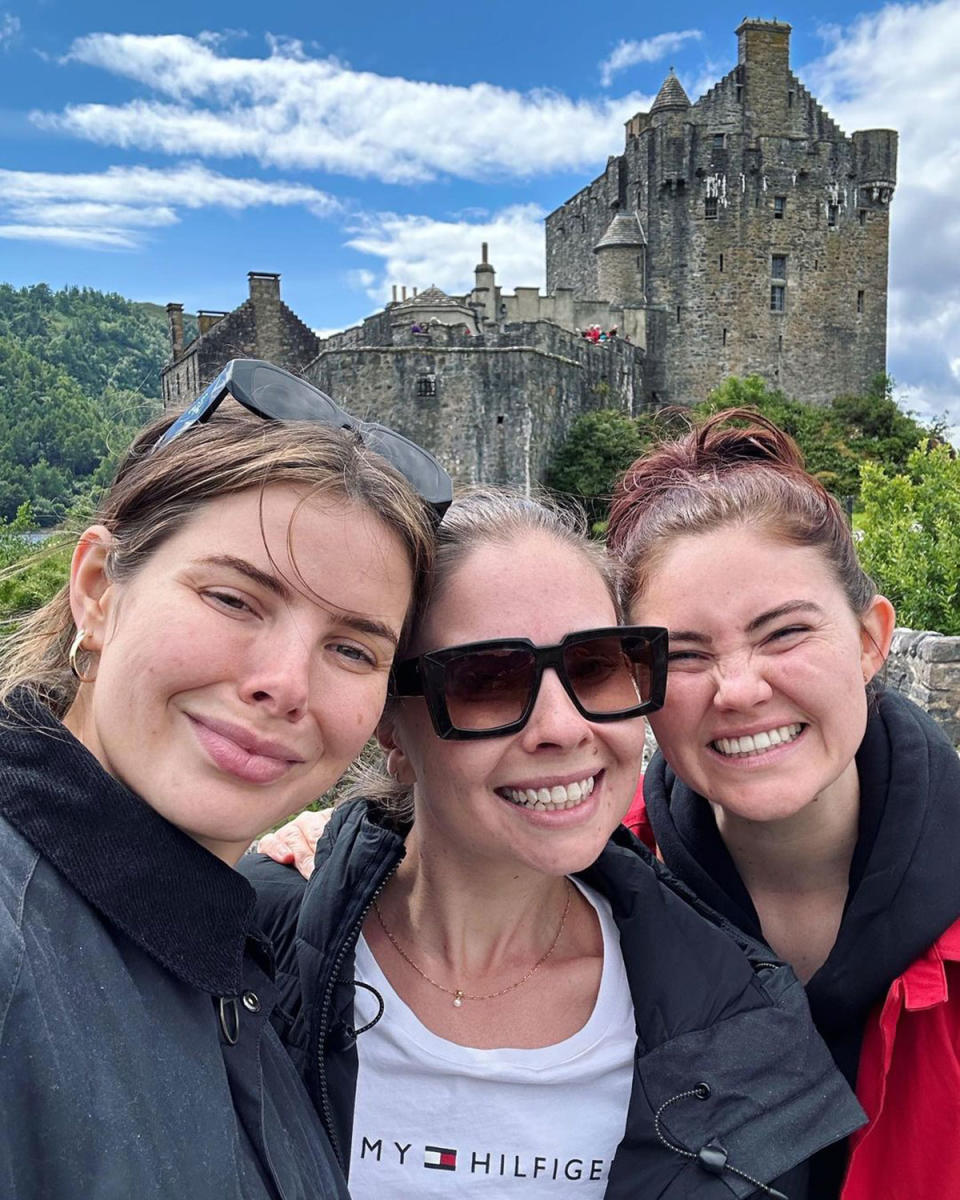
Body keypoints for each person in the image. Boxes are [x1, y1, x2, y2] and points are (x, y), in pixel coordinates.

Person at [246, 489, 863, 1199]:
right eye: (487, 680)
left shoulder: (741, 1027)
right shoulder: (247, 941)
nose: (563, 729)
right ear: (390, 727)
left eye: (598, 665)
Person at [0, 358, 451, 1198]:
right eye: (234, 599)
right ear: (99, 590)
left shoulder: (218, 943)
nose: (285, 682)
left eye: (352, 648)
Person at [606, 409, 960, 1199]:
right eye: (686, 654)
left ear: (872, 641)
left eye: (783, 634)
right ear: (640, 685)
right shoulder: (593, 888)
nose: (738, 691)